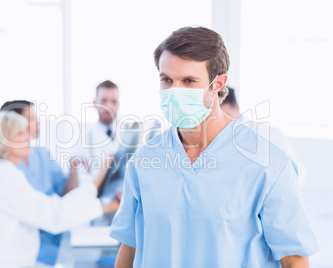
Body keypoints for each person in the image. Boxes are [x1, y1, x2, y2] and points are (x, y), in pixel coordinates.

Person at [110, 26, 319, 268]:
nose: (174, 91)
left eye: (189, 81)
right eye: (167, 80)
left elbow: (294, 260)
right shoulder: (144, 161)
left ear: (217, 83)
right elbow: (129, 249)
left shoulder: (267, 165)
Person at [0, 111, 116, 268]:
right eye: (20, 133)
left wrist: (99, 199)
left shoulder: (5, 173)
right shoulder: (4, 177)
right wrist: (102, 200)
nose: (28, 137)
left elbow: (52, 205)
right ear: (4, 142)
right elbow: (54, 216)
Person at [0, 100, 81, 266]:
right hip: (34, 242)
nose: (37, 123)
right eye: (31, 119)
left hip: (58, 232)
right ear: (13, 126)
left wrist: (73, 169)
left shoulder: (41, 154)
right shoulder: (6, 170)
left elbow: (66, 192)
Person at [221, 88, 306, 186]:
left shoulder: (269, 133)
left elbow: (296, 172)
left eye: (227, 115)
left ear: (237, 108)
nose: (224, 123)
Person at [74, 80, 121, 185]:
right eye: (104, 101)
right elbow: (83, 183)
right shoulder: (83, 137)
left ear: (118, 104)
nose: (108, 106)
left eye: (113, 102)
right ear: (94, 103)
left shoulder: (126, 134)